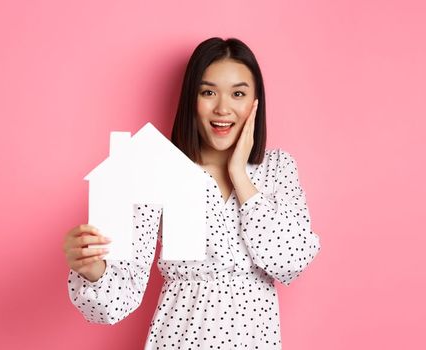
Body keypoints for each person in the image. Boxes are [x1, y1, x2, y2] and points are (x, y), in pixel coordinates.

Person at [63, 37, 321, 349]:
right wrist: (92, 270)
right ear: (191, 99)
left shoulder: (277, 168)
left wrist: (239, 174)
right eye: (208, 92)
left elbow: (291, 260)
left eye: (238, 93)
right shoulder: (158, 168)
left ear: (256, 102)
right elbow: (117, 299)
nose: (222, 108)